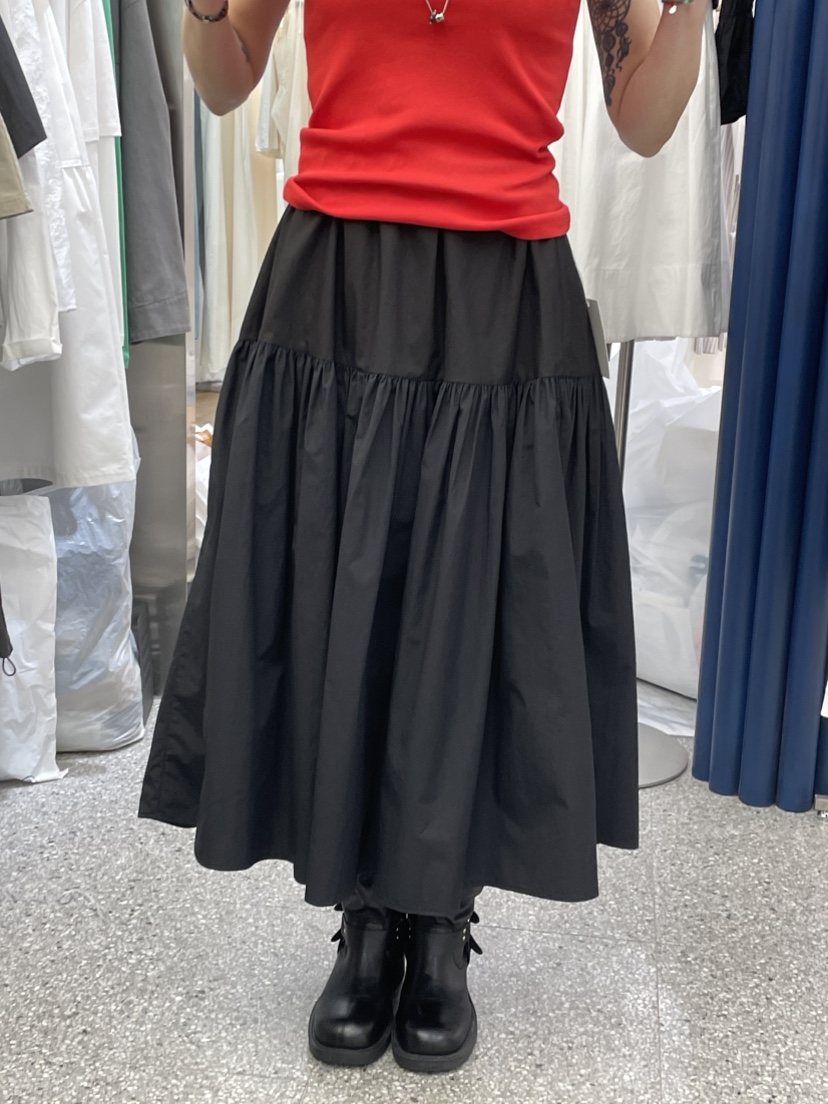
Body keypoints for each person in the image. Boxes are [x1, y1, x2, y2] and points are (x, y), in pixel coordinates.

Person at [139, 0, 708, 1075]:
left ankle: (440, 915)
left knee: (470, 608)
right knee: (343, 594)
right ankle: (363, 914)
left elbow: (642, 121)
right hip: (336, 285)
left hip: (505, 290)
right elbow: (222, 79)